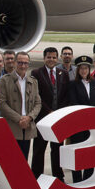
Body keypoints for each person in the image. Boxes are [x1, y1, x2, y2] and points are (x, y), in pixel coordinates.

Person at [32, 47, 70, 179]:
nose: (51, 60)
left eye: (54, 57)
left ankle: (58, 176)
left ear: (57, 58)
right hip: (43, 118)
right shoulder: (36, 73)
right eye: (49, 57)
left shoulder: (63, 73)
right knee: (39, 149)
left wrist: (58, 112)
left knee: (57, 149)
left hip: (57, 119)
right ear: (44, 58)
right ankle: (36, 176)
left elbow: (66, 95)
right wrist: (49, 111)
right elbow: (36, 96)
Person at [67, 56, 95, 182]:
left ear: (89, 69)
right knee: (78, 153)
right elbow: (74, 103)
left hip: (92, 126)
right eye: (81, 68)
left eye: (86, 68)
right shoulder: (73, 84)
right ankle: (77, 180)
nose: (83, 71)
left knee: (90, 154)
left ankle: (88, 178)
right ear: (78, 70)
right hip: (78, 126)